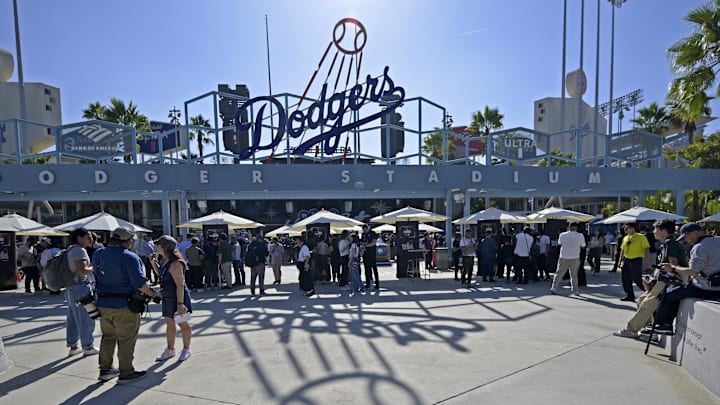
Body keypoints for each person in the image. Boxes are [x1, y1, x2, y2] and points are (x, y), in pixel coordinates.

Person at [93, 226, 159, 383]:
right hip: (124, 304)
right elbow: (140, 284)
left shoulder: (99, 254)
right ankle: (126, 372)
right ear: (128, 241)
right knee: (126, 339)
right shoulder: (129, 257)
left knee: (108, 336)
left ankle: (105, 369)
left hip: (102, 302)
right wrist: (154, 295)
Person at [613, 220, 687, 338]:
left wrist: (664, 273)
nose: (653, 232)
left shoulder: (670, 243)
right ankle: (649, 329)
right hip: (662, 280)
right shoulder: (668, 243)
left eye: (655, 229)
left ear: (664, 231)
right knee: (641, 300)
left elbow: (673, 265)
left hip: (667, 281)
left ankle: (632, 329)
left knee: (648, 303)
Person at [653, 223, 720, 335]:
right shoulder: (717, 241)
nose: (686, 241)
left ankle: (665, 325)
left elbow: (693, 271)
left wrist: (673, 268)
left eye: (686, 237)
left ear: (695, 233)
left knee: (668, 296)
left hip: (704, 288)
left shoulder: (700, 247)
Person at [151, 236, 192, 362]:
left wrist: (180, 303)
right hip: (168, 296)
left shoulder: (175, 264)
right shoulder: (165, 261)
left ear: (165, 247)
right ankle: (170, 349)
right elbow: (162, 275)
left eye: (158, 245)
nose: (156, 247)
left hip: (177, 296)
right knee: (169, 322)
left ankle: (186, 349)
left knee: (182, 323)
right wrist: (154, 264)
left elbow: (179, 284)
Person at [62, 228, 100, 358]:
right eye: (88, 237)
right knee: (86, 317)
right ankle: (88, 346)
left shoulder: (69, 249)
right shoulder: (79, 250)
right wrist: (94, 266)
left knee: (72, 317)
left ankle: (73, 346)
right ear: (79, 238)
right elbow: (83, 270)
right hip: (80, 287)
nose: (91, 240)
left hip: (70, 287)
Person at [550, 223, 586, 297]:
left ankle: (554, 287)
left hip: (563, 256)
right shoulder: (580, 235)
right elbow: (583, 245)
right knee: (574, 275)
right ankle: (575, 290)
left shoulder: (562, 235)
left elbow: (560, 243)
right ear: (576, 227)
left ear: (569, 227)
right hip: (575, 257)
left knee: (559, 273)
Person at [618, 222, 652, 302]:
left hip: (636, 259)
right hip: (627, 259)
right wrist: (620, 261)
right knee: (625, 278)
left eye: (627, 228)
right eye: (625, 228)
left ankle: (647, 291)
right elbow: (622, 250)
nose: (625, 230)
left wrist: (648, 261)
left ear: (633, 228)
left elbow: (646, 249)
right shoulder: (625, 238)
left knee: (637, 278)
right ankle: (629, 295)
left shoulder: (641, 237)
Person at [361, 225, 379, 289]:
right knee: (366, 269)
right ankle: (368, 283)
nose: (364, 231)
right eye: (363, 230)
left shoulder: (373, 233)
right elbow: (362, 242)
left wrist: (366, 245)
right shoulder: (363, 234)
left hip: (372, 254)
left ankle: (377, 283)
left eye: (365, 229)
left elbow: (374, 243)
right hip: (365, 254)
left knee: (374, 269)